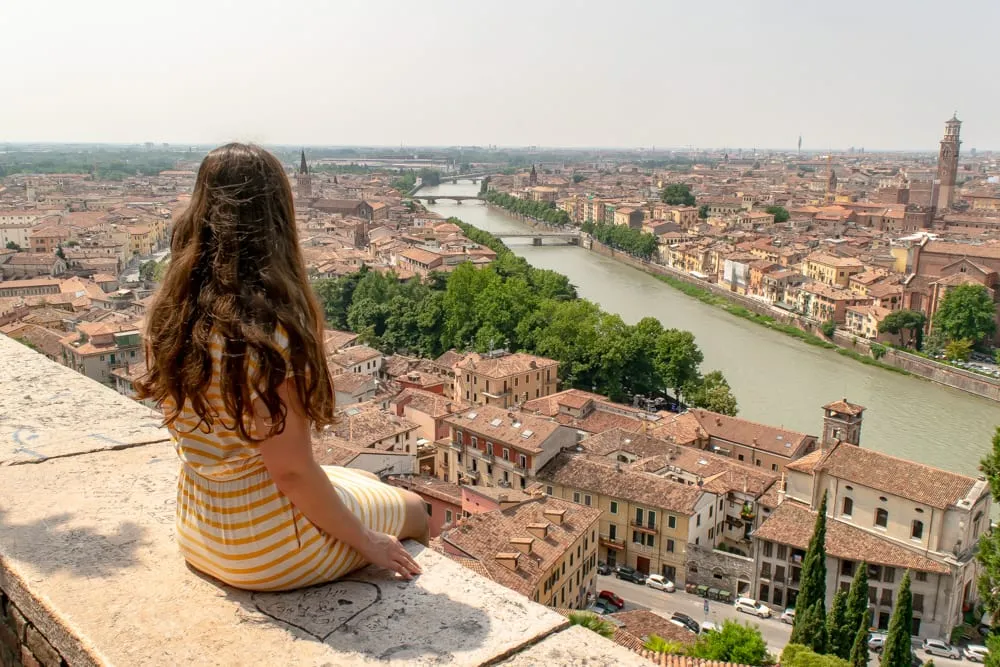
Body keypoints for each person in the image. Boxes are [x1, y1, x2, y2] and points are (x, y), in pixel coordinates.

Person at [137, 143, 428, 592]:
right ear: (277, 218)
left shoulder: (171, 315)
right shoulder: (266, 331)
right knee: (413, 507)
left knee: (364, 477)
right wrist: (369, 543)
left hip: (198, 529)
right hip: (267, 550)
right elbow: (290, 470)